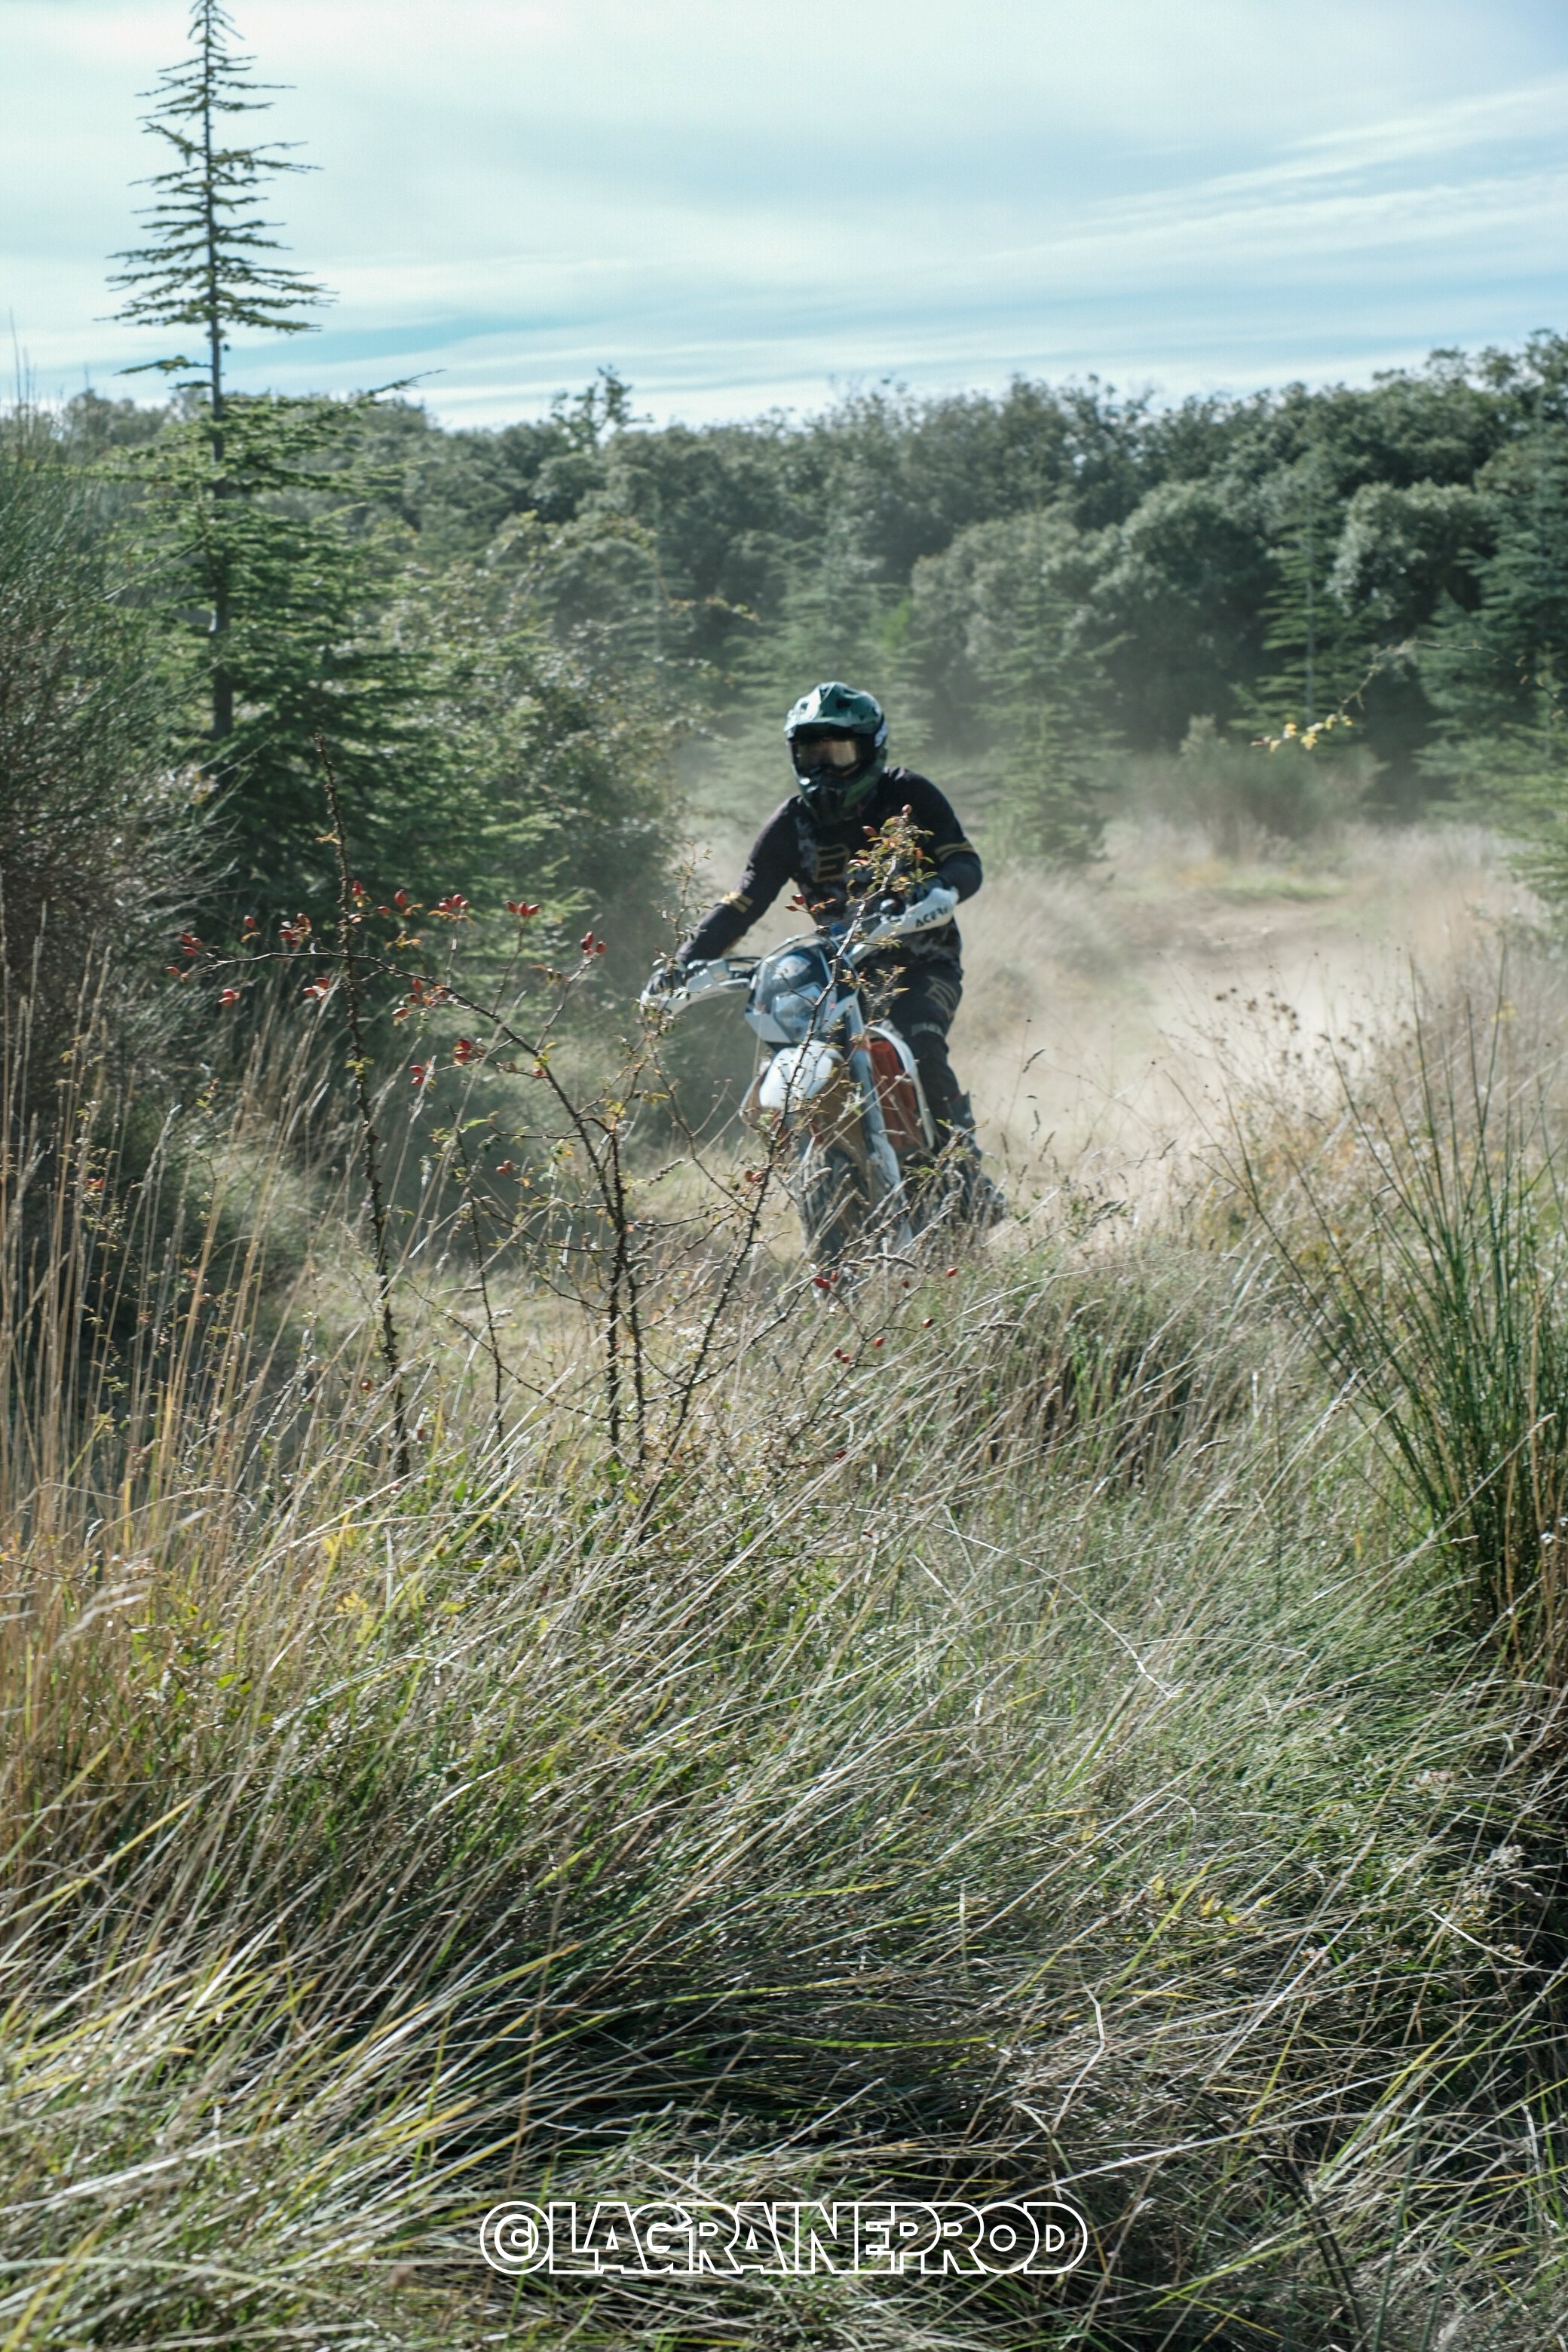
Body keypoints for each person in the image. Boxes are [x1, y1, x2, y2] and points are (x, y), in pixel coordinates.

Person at [666, 680, 1003, 1220]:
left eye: (838, 751)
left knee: (920, 1039)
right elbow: (745, 900)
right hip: (838, 972)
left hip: (922, 962)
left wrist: (936, 889)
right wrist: (684, 962)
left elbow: (964, 860)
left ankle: (965, 1176)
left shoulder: (907, 794)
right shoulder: (791, 822)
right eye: (811, 753)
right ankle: (836, 1173)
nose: (823, 767)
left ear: (870, 750)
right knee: (796, 1055)